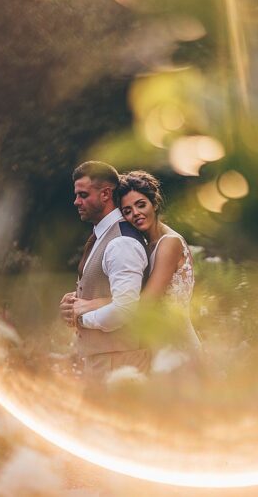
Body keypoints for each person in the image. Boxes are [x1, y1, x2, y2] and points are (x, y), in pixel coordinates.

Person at [73, 170, 201, 374]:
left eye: (141, 205)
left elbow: (147, 302)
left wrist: (93, 305)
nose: (136, 214)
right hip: (151, 342)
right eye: (127, 210)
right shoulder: (144, 243)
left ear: (155, 203)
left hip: (173, 343)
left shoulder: (169, 243)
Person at [58, 161, 150, 383]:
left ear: (106, 194)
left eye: (83, 195)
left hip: (119, 363)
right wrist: (74, 303)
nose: (76, 201)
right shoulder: (104, 236)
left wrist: (81, 319)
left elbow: (125, 309)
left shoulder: (121, 243)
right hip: (106, 360)